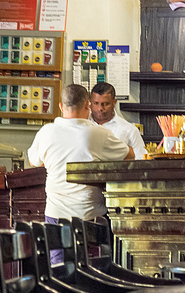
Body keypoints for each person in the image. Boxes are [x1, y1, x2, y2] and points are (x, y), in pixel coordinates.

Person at [28, 84, 134, 264]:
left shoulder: (46, 132)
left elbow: (33, 161)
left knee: (59, 270)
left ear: (61, 107)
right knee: (94, 273)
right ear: (87, 105)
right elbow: (129, 155)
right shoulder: (97, 133)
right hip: (90, 219)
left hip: (55, 217)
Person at [89, 82, 147, 159]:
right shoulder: (82, 124)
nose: (100, 108)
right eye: (96, 103)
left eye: (105, 104)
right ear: (90, 102)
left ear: (114, 103)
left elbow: (141, 159)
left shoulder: (129, 130)